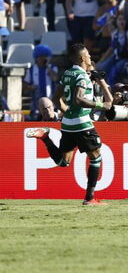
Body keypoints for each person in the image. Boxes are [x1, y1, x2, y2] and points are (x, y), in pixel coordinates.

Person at [26, 43, 114, 206]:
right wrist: (100, 105)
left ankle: (45, 137)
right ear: (82, 58)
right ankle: (90, 198)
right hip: (82, 123)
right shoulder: (82, 77)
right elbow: (79, 99)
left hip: (67, 123)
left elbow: (56, 98)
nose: (89, 57)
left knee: (63, 162)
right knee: (96, 158)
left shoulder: (67, 74)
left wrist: (68, 111)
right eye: (87, 54)